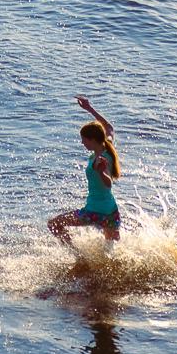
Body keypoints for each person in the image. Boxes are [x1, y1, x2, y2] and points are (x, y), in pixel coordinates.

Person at [48, 95, 122, 247]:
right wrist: (89, 108)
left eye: (84, 140)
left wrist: (101, 172)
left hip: (94, 212)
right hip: (111, 211)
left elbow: (107, 183)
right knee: (110, 253)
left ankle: (78, 256)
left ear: (93, 139)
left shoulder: (99, 160)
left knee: (54, 224)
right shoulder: (107, 146)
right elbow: (108, 127)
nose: (82, 143)